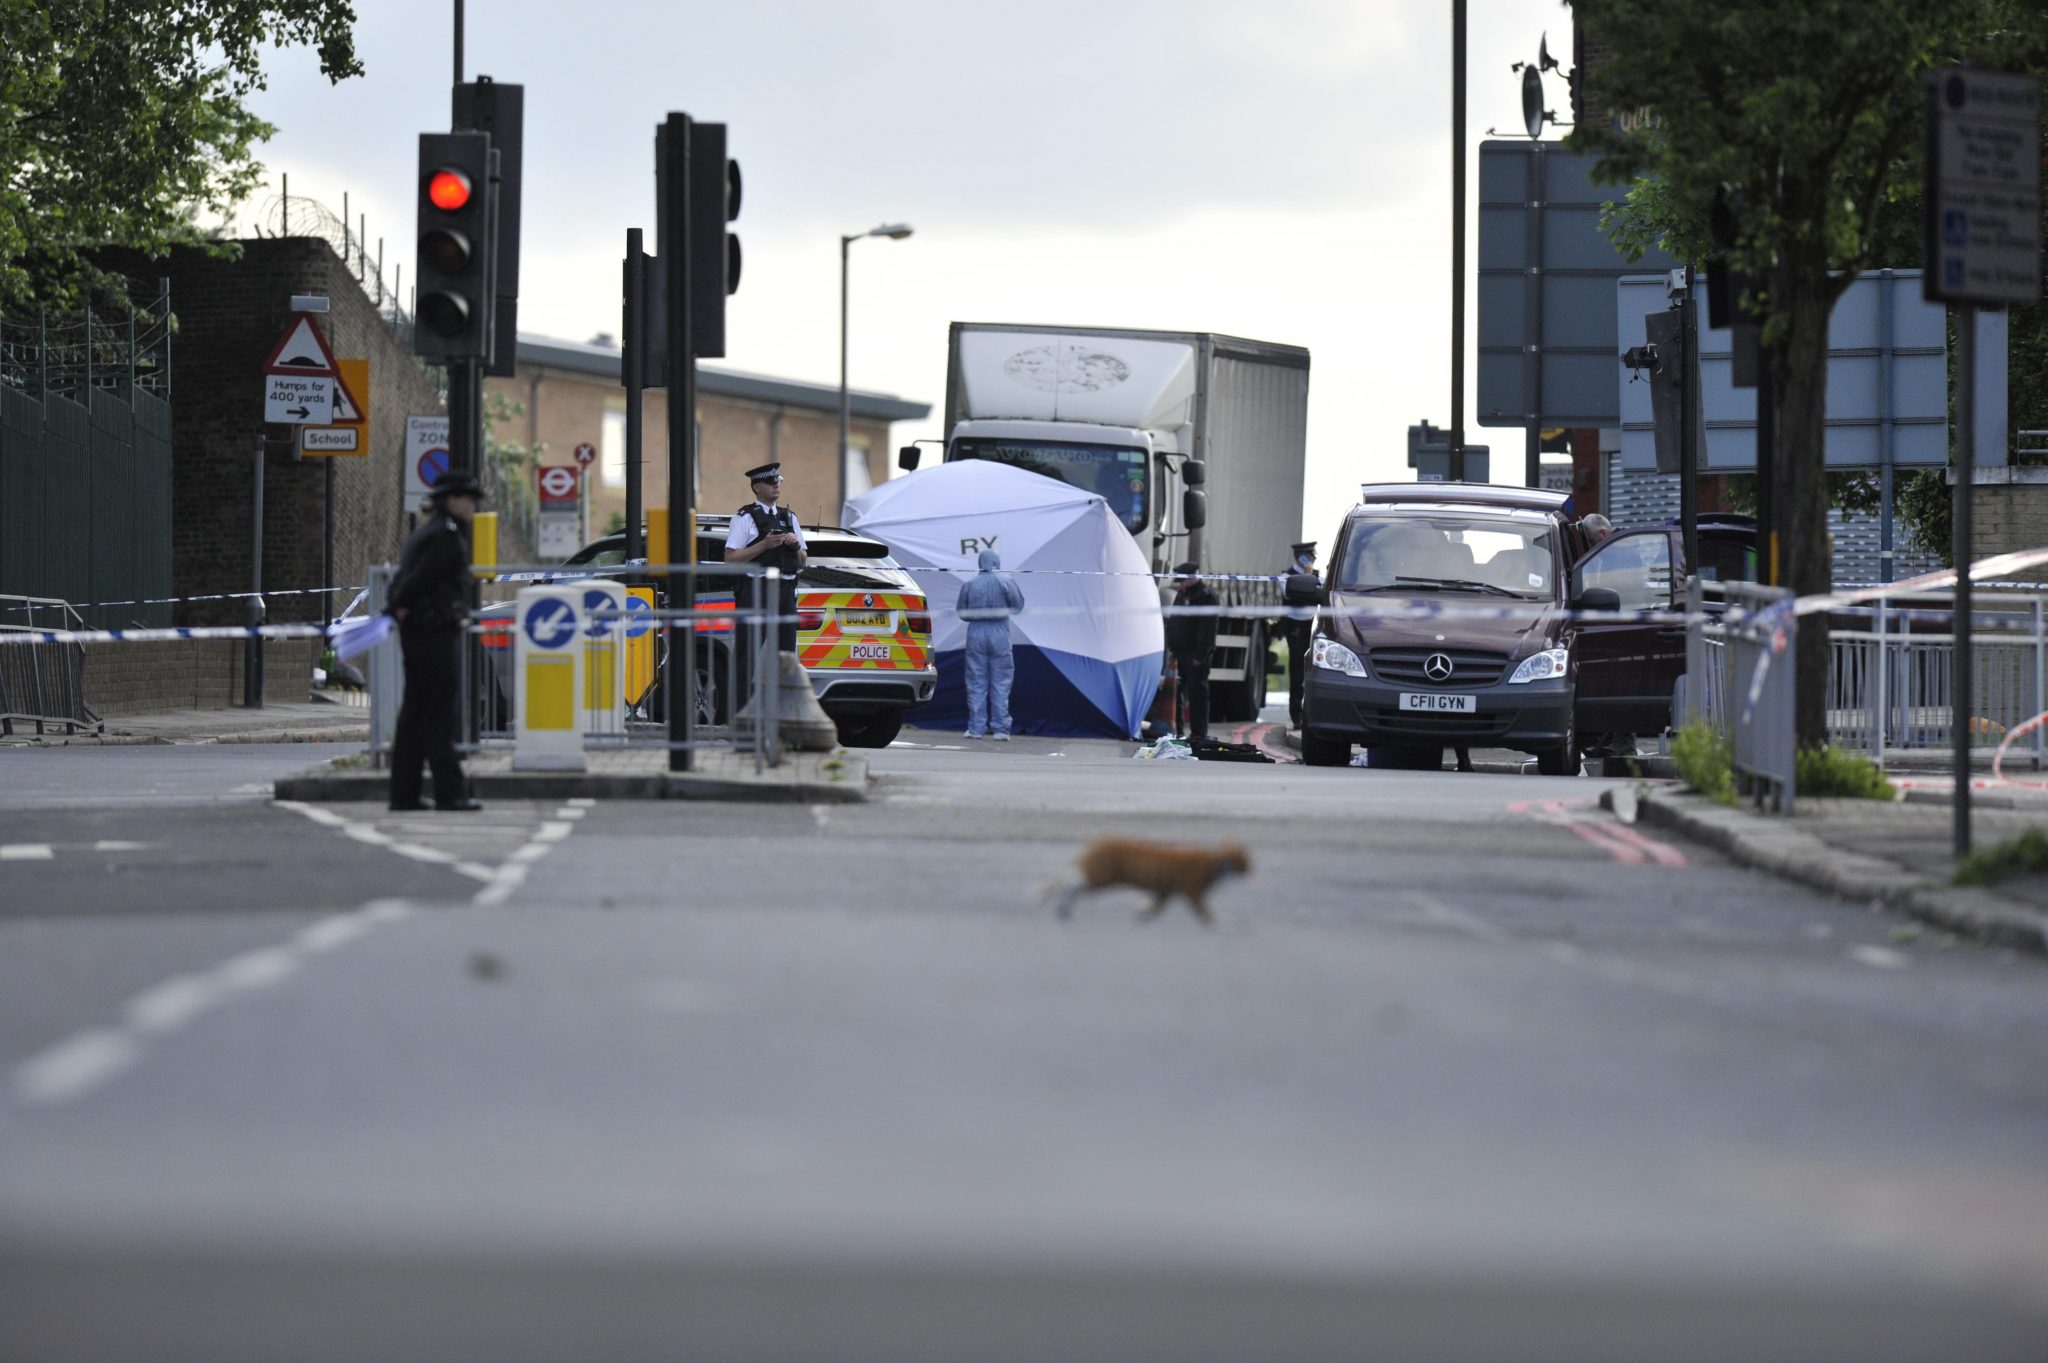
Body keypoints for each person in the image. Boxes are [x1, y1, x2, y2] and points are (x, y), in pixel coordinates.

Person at [386, 469, 484, 812]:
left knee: (415, 716)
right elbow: (421, 579)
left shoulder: (426, 531)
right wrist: (399, 603)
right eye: (469, 498)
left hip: (419, 632)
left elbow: (405, 579)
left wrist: (396, 605)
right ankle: (450, 793)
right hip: (434, 633)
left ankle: (405, 794)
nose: (473, 506)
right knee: (439, 716)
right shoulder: (445, 535)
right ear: (452, 500)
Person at [723, 462, 808, 702]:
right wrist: (763, 545)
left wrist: (794, 547)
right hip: (756, 590)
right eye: (771, 483)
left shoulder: (789, 517)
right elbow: (730, 558)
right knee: (747, 653)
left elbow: (802, 561)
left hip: (784, 591)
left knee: (786, 656)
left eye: (778, 481)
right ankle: (739, 712)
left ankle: (784, 713)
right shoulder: (746, 518)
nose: (776, 486)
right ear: (756, 487)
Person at [956, 548, 1024, 740]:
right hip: (1000, 632)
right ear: (997, 562)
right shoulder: (1007, 581)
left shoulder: (969, 584)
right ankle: (1001, 729)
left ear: (980, 563)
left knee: (976, 680)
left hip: (976, 633)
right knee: (1001, 681)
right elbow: (1017, 606)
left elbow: (961, 612)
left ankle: (976, 728)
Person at [1166, 561, 1219, 739]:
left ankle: (1198, 734)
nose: (1179, 584)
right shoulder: (1183, 594)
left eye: (1182, 580)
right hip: (1180, 652)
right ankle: (1178, 731)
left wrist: (1201, 656)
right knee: (1177, 694)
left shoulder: (1206, 597)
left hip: (1195, 655)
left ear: (1191, 578)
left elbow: (1208, 630)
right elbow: (1174, 620)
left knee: (1197, 695)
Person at [1276, 540, 1319, 729]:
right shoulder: (1286, 576)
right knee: (1296, 668)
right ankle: (1296, 716)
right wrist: (1308, 578)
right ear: (1301, 557)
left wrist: (1311, 577)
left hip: (1312, 623)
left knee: (1312, 668)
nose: (1313, 559)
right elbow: (1290, 594)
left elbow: (1321, 595)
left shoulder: (1317, 576)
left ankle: (1310, 713)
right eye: (1310, 556)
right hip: (1294, 624)